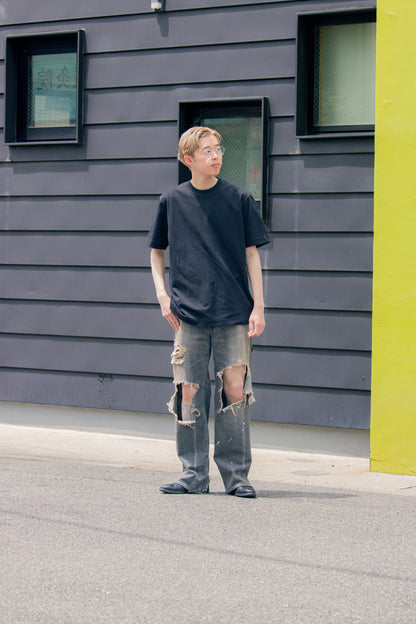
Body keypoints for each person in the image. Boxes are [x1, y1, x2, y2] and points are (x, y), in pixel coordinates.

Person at [148, 126, 270, 498]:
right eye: (207, 151)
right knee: (188, 392)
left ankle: (236, 476)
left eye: (218, 149)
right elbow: (156, 251)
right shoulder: (172, 201)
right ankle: (193, 474)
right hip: (188, 314)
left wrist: (259, 306)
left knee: (234, 392)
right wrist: (162, 296)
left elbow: (252, 255)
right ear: (188, 159)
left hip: (234, 311)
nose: (216, 156)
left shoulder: (238, 198)